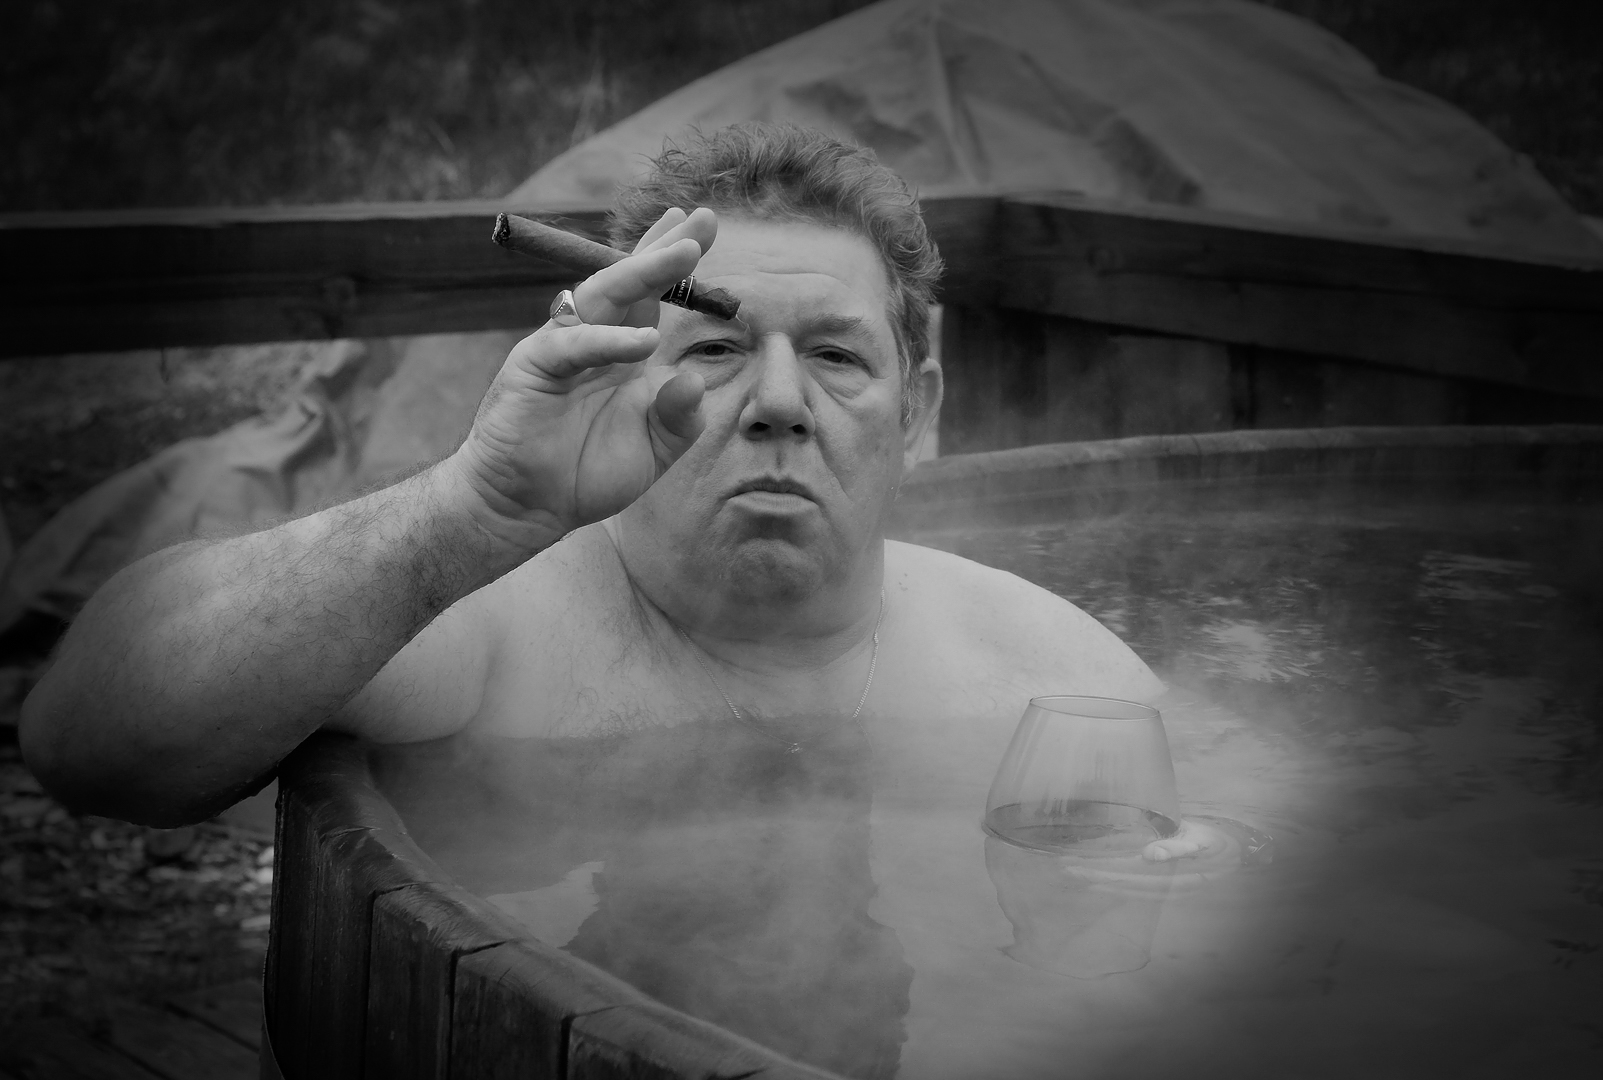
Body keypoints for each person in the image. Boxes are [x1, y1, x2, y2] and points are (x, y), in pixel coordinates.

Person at [20, 122, 1162, 830]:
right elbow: (87, 740)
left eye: (833, 355)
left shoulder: (1049, 680)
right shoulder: (501, 627)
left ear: (916, 411)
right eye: (714, 348)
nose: (776, 399)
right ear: (623, 374)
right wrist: (469, 508)